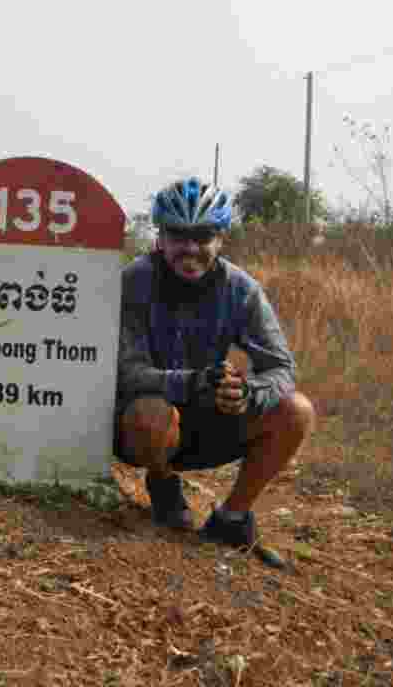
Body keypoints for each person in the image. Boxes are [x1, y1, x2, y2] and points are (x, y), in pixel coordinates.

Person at [115, 177, 315, 565]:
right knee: (149, 413)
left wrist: (248, 392)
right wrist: (190, 382)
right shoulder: (134, 280)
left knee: (297, 411)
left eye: (203, 236)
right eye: (178, 236)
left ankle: (232, 517)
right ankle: (163, 483)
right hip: (144, 427)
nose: (190, 249)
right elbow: (126, 372)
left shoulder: (241, 288)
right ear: (160, 236)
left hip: (210, 420)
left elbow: (280, 368)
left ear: (221, 238)